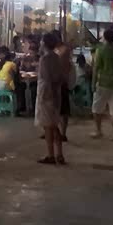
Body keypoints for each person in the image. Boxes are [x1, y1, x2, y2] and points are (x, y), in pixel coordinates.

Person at [35, 33, 64, 165]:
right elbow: (59, 78)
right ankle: (60, 154)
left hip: (47, 95)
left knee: (48, 127)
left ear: (44, 43)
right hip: (56, 94)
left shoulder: (45, 59)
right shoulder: (56, 57)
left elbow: (47, 79)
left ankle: (50, 155)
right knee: (54, 125)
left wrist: (49, 94)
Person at [92, 29, 113, 140]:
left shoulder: (100, 50)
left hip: (102, 82)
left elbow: (96, 67)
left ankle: (98, 131)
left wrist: (93, 83)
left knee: (97, 109)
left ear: (104, 37)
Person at [53, 31, 75, 141]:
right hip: (55, 82)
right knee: (53, 108)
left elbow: (63, 66)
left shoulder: (64, 50)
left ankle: (63, 133)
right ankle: (53, 130)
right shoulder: (55, 50)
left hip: (62, 82)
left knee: (63, 109)